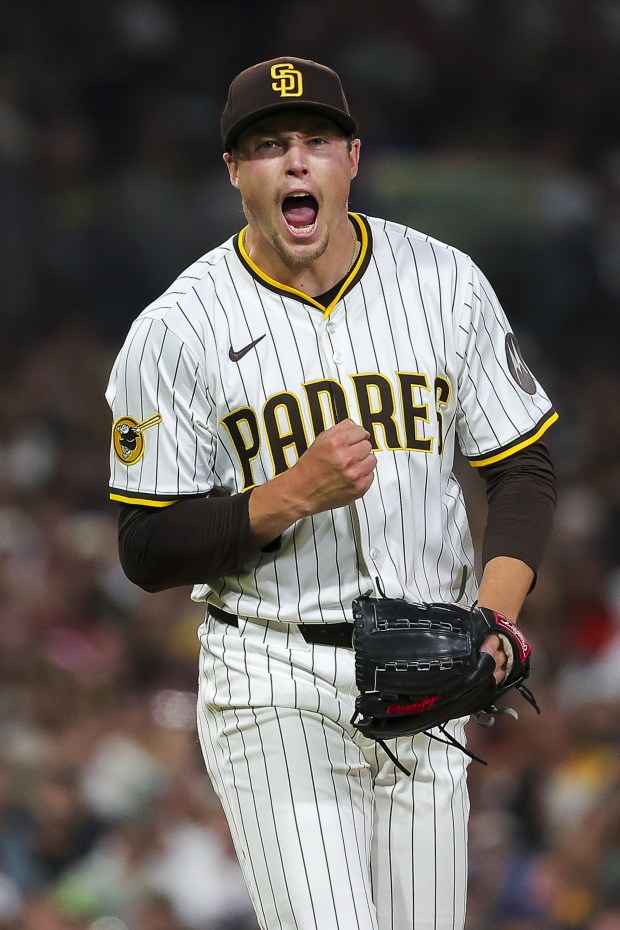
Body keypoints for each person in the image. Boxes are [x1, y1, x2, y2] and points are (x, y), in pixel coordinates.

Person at [106, 56, 557, 930]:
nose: (296, 162)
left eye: (316, 140)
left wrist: (496, 621)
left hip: (435, 672)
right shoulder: (177, 328)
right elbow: (144, 545)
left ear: (354, 156)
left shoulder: (444, 282)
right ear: (236, 172)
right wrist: (286, 496)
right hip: (275, 674)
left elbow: (523, 467)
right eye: (269, 146)